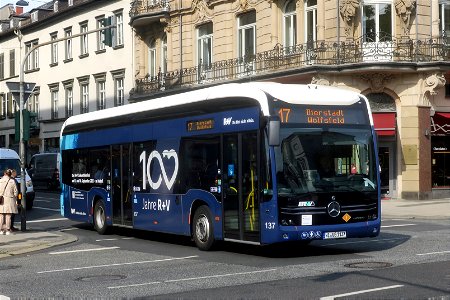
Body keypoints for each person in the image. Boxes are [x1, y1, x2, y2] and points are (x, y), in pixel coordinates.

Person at [0, 169, 19, 235]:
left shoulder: (0, 181)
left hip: (1, 200)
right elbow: (16, 192)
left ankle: (1, 230)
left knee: (1, 215)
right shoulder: (12, 181)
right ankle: (8, 230)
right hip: (10, 200)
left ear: (4, 173)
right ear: (10, 174)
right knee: (8, 216)